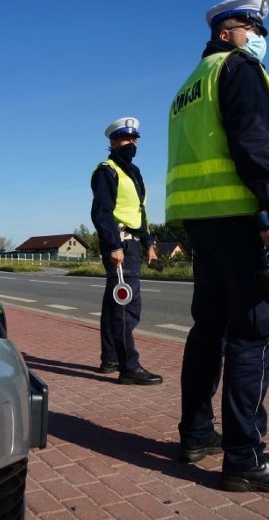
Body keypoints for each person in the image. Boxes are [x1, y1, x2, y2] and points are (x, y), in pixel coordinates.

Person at [166, 0, 269, 492]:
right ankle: (244, 457)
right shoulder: (239, 68)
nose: (259, 37)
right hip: (245, 219)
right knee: (255, 333)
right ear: (227, 31)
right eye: (252, 27)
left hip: (202, 224)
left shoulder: (187, 86)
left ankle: (196, 435)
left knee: (208, 329)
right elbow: (254, 140)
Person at [90, 117, 163, 386]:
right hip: (120, 244)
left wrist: (149, 245)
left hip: (132, 243)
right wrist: (113, 245)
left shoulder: (133, 173)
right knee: (127, 306)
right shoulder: (106, 171)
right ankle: (128, 367)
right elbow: (102, 212)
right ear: (112, 142)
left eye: (134, 139)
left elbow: (138, 213)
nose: (131, 143)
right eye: (125, 138)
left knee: (113, 304)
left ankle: (110, 359)